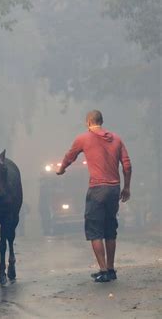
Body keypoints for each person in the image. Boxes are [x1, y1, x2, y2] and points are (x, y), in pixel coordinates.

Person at [57, 110, 131, 283]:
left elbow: (70, 156)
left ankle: (103, 270)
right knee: (110, 229)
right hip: (114, 189)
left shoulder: (83, 138)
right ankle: (111, 270)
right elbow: (127, 165)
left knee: (95, 230)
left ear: (89, 122)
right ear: (101, 121)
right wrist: (126, 187)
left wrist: (61, 169)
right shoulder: (117, 139)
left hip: (97, 189)